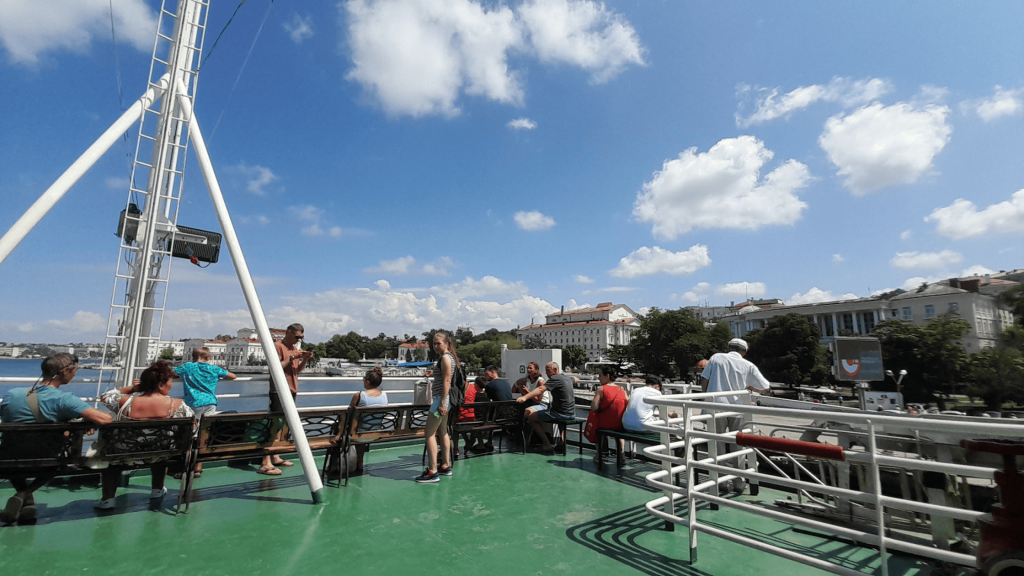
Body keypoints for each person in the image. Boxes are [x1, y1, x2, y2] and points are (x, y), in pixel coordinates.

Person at [0, 354, 113, 525]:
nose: (75, 374)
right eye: (74, 370)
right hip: (46, 460)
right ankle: (23, 495)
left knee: (17, 454)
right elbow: (105, 419)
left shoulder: (12, 394)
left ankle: (27, 506)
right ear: (65, 371)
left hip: (7, 457)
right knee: (62, 460)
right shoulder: (64, 399)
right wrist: (81, 419)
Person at [95, 361, 194, 510]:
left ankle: (108, 499)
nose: (171, 385)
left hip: (125, 453)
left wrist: (133, 388)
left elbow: (106, 396)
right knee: (161, 446)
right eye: (170, 382)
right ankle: (157, 490)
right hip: (162, 454)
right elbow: (192, 426)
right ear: (161, 385)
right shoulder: (178, 405)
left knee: (113, 459)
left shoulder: (124, 402)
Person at [699, 338, 770, 495]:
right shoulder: (748, 365)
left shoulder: (716, 357)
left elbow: (704, 381)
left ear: (729, 347)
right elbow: (765, 387)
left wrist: (706, 396)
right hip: (738, 409)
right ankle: (739, 483)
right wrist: (749, 387)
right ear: (744, 352)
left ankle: (721, 481)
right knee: (738, 446)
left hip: (715, 407)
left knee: (717, 445)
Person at [173, 346, 236, 478]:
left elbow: (171, 373)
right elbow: (232, 376)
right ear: (209, 358)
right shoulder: (213, 368)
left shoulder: (188, 367)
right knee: (203, 435)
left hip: (193, 404)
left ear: (192, 357)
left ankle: (186, 467)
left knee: (190, 436)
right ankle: (198, 468)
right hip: (210, 404)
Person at [261, 323, 313, 476]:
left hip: (292, 390)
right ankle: (265, 462)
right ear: (288, 333)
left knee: (282, 426)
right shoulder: (277, 346)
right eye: (297, 336)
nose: (299, 340)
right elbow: (276, 367)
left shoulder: (295, 350)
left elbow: (296, 371)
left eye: (301, 337)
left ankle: (275, 456)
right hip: (278, 391)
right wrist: (293, 357)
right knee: (274, 425)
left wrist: (304, 359)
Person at [416, 332, 457, 483]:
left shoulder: (446, 358)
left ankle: (432, 470)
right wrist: (433, 373)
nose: (435, 346)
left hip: (441, 400)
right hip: (445, 400)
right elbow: (445, 376)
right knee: (443, 431)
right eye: (434, 343)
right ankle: (445, 465)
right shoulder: (449, 358)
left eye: (438, 343)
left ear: (446, 343)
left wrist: (442, 403)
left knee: (429, 433)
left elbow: (447, 381)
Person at [516, 362, 575, 453]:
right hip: (571, 413)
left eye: (548, 371)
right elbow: (576, 378)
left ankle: (546, 444)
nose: (546, 373)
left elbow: (540, 389)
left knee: (531, 417)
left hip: (559, 413)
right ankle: (562, 442)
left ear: (555, 370)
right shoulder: (567, 378)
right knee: (560, 418)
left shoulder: (555, 378)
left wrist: (524, 397)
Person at [348, 366, 388, 475]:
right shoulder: (384, 396)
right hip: (376, 433)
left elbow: (349, 414)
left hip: (360, 434)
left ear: (367, 381)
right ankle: (359, 463)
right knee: (362, 429)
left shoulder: (359, 395)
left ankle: (333, 466)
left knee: (343, 431)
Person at [589, 366, 629, 465]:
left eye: (600, 376)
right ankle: (622, 455)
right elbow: (627, 404)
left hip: (605, 424)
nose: (598, 378)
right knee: (619, 434)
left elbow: (594, 407)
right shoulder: (622, 389)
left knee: (596, 426)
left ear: (607, 376)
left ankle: (599, 455)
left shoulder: (601, 389)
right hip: (619, 424)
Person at [458, 376, 487, 455]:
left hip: (475, 420)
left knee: (458, 423)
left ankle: (468, 441)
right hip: (485, 420)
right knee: (474, 422)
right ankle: (476, 442)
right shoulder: (486, 396)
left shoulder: (476, 395)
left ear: (477, 385)